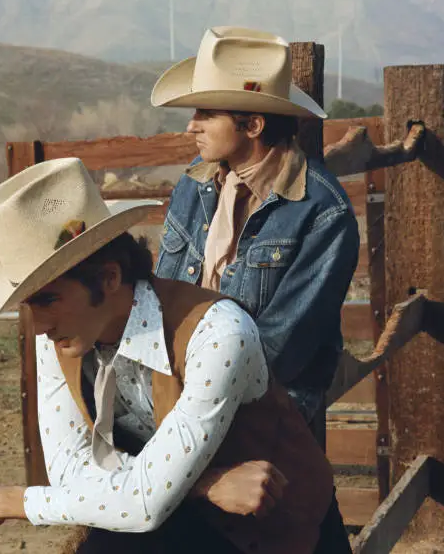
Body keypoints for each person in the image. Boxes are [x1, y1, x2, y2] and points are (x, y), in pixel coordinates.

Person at [0, 157, 334, 553]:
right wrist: (202, 486)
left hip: (277, 531)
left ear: (109, 278)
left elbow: (144, 503)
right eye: (28, 304)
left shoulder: (218, 333)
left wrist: (11, 502)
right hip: (173, 524)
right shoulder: (58, 335)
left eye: (49, 298)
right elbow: (75, 477)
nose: (37, 325)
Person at [151, 27, 360, 551]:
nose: (192, 126)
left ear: (253, 123)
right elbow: (163, 300)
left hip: (268, 413)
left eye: (206, 114)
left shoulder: (321, 212)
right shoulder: (194, 186)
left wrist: (192, 403)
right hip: (180, 402)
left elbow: (281, 348)